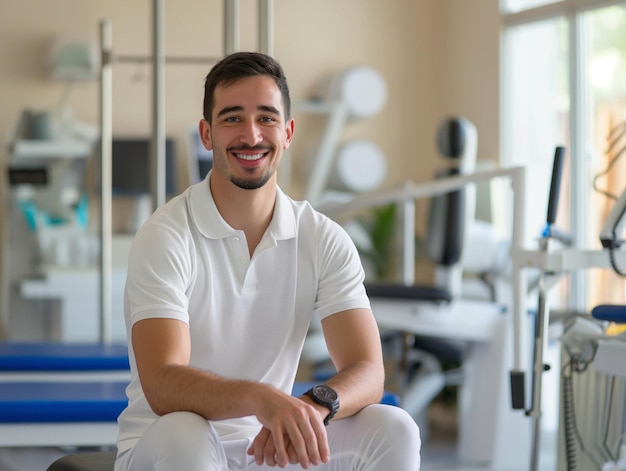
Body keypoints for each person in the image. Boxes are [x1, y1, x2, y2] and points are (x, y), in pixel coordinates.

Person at [114, 51, 421, 471]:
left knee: (394, 427)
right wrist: (261, 398)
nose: (251, 135)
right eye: (232, 118)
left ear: (288, 131)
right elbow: (163, 382)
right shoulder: (166, 235)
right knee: (185, 432)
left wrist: (315, 406)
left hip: (270, 449)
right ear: (207, 134)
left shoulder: (322, 236)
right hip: (166, 448)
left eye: (267, 118)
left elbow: (367, 369)